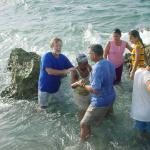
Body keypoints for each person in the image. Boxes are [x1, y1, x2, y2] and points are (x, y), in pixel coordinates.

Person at [78, 44, 116, 141]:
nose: (89, 55)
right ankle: (110, 135)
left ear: (94, 54)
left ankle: (81, 145)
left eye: (89, 53)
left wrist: (82, 85)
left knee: (83, 124)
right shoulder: (109, 62)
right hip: (111, 97)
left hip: (100, 102)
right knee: (108, 119)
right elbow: (114, 79)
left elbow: (95, 90)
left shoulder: (97, 68)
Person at [38, 37, 74, 109]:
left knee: (64, 104)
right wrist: (65, 72)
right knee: (42, 108)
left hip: (56, 88)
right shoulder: (46, 56)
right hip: (44, 88)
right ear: (52, 47)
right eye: (56, 46)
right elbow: (50, 71)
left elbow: (72, 68)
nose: (59, 48)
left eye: (60, 46)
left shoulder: (63, 58)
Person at [131, 47, 150, 138]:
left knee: (139, 138)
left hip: (137, 113)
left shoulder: (138, 71)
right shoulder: (148, 76)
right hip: (148, 115)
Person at [71, 54, 92, 119]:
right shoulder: (75, 71)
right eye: (84, 63)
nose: (86, 64)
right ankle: (80, 123)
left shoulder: (88, 67)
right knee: (83, 111)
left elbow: (93, 76)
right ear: (79, 64)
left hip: (88, 92)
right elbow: (72, 86)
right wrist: (78, 83)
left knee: (89, 109)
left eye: (87, 62)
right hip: (79, 95)